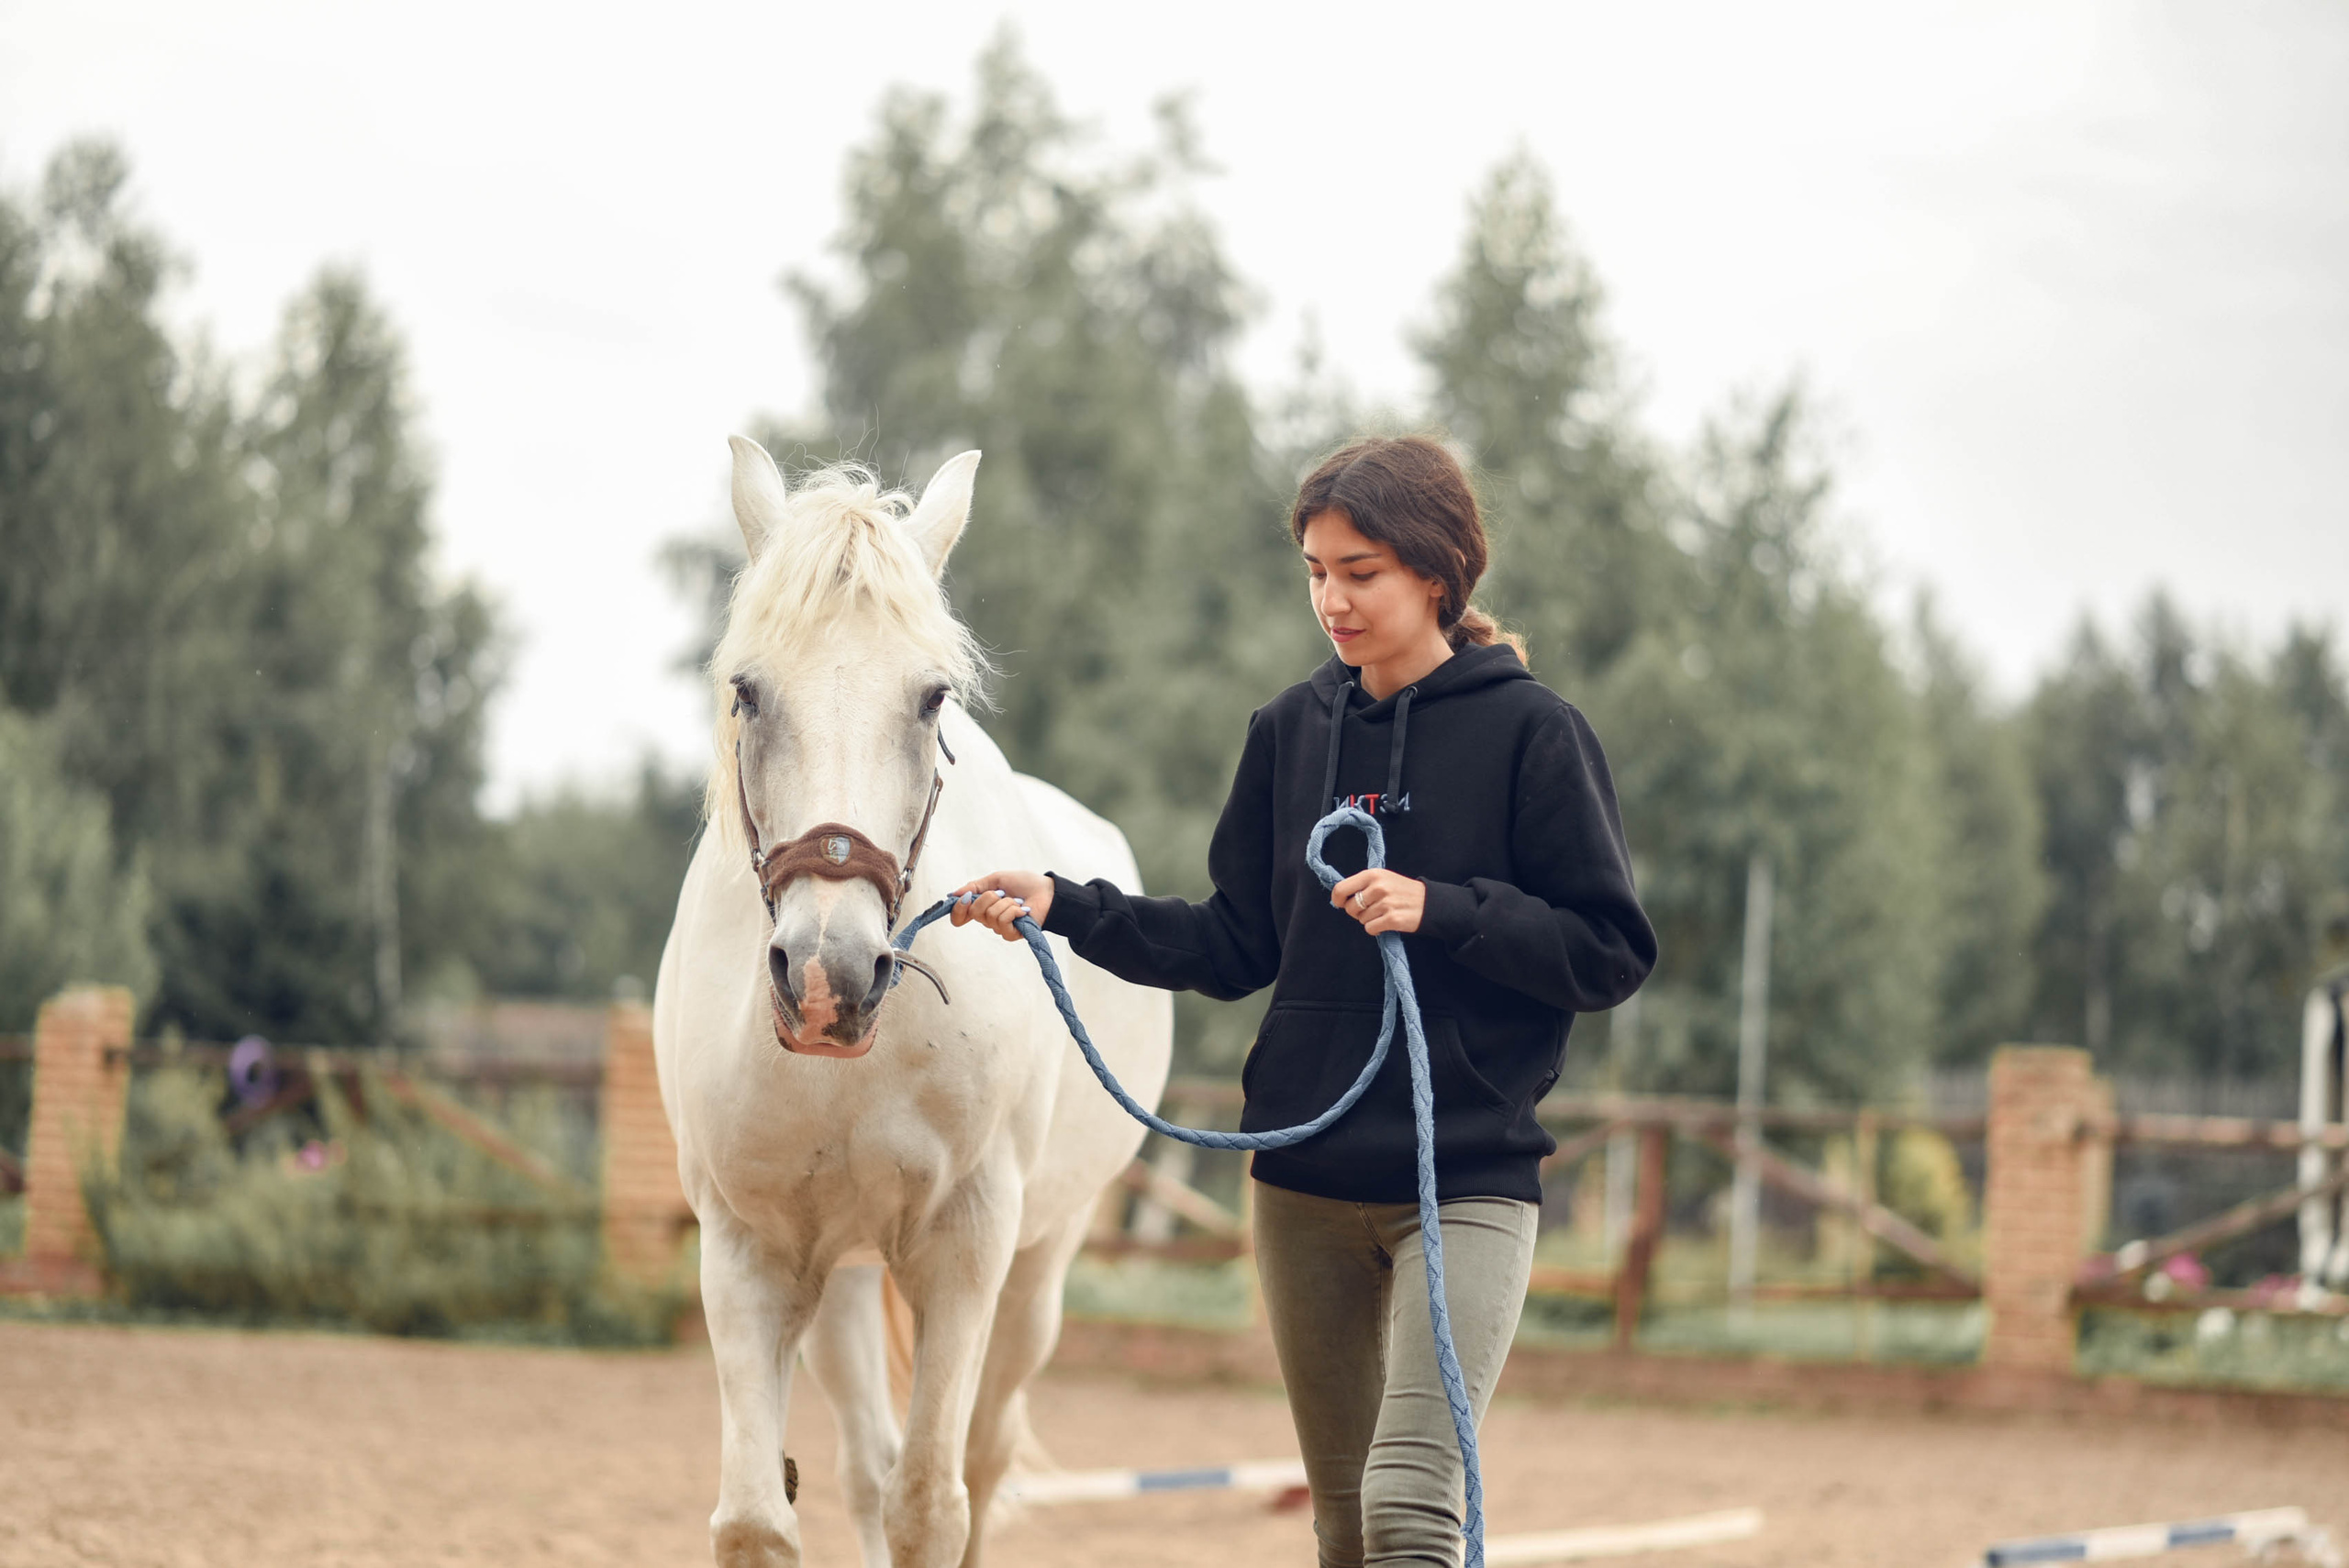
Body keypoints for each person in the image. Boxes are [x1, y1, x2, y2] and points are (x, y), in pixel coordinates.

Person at [952, 435, 1656, 1567]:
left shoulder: (1534, 733)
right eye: (1317, 569)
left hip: (1462, 1179)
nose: (1331, 598)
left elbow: (1610, 949)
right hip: (1303, 1186)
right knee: (1343, 1527)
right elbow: (1234, 941)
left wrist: (1445, 906)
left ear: (1437, 570)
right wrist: (1067, 903)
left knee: (1408, 1506)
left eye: (1360, 570)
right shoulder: (1288, 732)